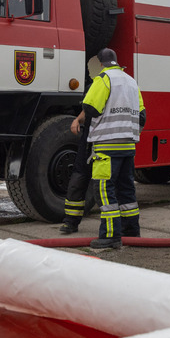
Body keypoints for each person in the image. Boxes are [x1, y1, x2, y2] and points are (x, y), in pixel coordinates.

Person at [72, 48, 145, 249]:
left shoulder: (103, 79)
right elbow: (142, 116)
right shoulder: (131, 81)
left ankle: (110, 235)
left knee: (104, 191)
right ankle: (131, 232)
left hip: (106, 146)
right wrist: (130, 133)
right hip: (128, 146)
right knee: (127, 190)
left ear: (101, 64)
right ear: (116, 61)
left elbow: (91, 107)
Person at [59, 56, 103, 234]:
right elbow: (88, 109)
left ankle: (113, 226)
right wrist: (77, 119)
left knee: (103, 186)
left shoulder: (107, 85)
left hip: (103, 142)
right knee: (78, 181)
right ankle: (70, 222)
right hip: (89, 141)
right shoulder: (95, 86)